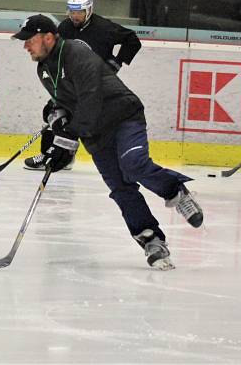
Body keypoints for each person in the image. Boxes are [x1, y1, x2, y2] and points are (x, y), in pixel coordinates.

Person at [13, 14, 203, 270]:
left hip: (123, 116)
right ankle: (151, 240)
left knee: (133, 163)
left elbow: (91, 97)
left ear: (48, 37)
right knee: (121, 187)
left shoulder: (75, 52)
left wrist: (68, 139)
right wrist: (56, 120)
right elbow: (64, 103)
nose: (26, 46)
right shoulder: (44, 70)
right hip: (96, 134)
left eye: (30, 40)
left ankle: (175, 191)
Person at [24, 0, 142, 171]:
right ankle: (51, 154)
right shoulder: (63, 28)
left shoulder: (104, 27)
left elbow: (132, 40)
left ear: (89, 10)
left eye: (79, 12)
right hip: (69, 81)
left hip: (93, 84)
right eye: (72, 11)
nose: (75, 16)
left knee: (80, 116)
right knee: (53, 112)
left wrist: (116, 63)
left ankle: (67, 154)